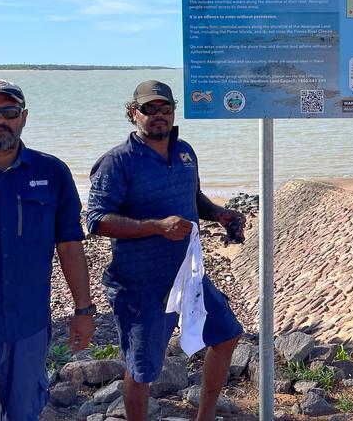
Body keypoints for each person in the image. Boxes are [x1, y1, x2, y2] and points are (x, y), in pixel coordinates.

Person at [87, 80, 244, 421]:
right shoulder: (117, 162)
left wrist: (218, 213)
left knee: (227, 335)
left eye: (165, 109)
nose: (158, 116)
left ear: (173, 113)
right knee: (142, 369)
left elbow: (193, 198)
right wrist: (157, 227)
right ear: (133, 114)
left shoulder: (185, 151)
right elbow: (96, 221)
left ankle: (205, 416)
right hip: (140, 284)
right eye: (149, 109)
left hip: (189, 276)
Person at [0, 80, 95, 419]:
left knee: (25, 413)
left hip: (29, 328)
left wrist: (83, 311)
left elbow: (69, 244)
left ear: (24, 117)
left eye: (9, 111)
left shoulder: (52, 172)